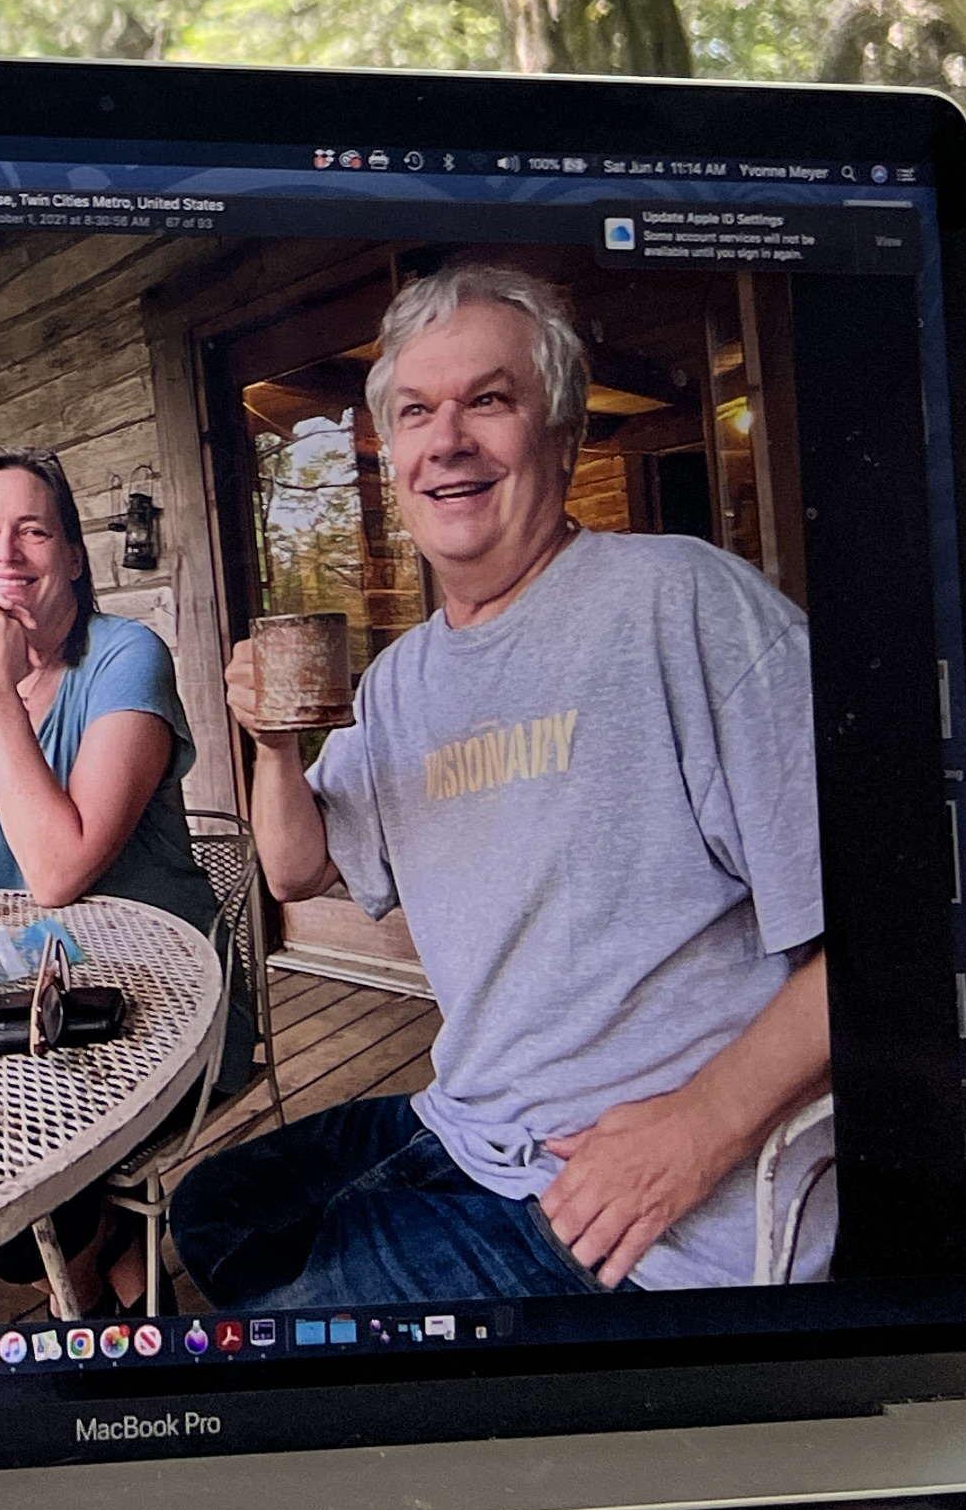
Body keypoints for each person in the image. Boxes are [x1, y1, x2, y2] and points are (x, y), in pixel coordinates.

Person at [170, 259, 832, 1312]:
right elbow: (295, 870)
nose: (450, 440)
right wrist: (274, 743)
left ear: (562, 437)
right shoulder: (400, 684)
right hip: (471, 1122)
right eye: (420, 413)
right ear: (394, 466)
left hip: (634, 1201)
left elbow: (897, 943)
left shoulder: (683, 607)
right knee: (211, 1212)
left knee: (286, 1350)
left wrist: (701, 1126)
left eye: (490, 400)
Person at [0, 445, 238, 1308]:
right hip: (2, 1013)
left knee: (22, 1202)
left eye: (33, 532)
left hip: (153, 1003)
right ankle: (133, 1297)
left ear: (74, 557)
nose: (5, 555)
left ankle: (111, 1312)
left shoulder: (126, 658)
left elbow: (58, 870)